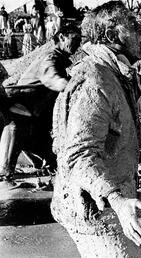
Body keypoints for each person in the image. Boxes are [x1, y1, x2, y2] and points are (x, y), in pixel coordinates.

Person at [51, 1, 141, 258]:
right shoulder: (95, 79)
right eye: (134, 27)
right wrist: (119, 202)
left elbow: (116, 132)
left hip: (79, 202)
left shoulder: (110, 73)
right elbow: (79, 155)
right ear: (112, 36)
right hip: (98, 208)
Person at [0, 25, 82, 187]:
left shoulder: (60, 61)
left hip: (36, 120)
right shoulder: (50, 58)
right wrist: (75, 86)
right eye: (75, 39)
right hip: (19, 113)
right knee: (6, 172)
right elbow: (52, 79)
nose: (78, 43)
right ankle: (5, 173)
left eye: (80, 40)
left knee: (56, 161)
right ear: (62, 37)